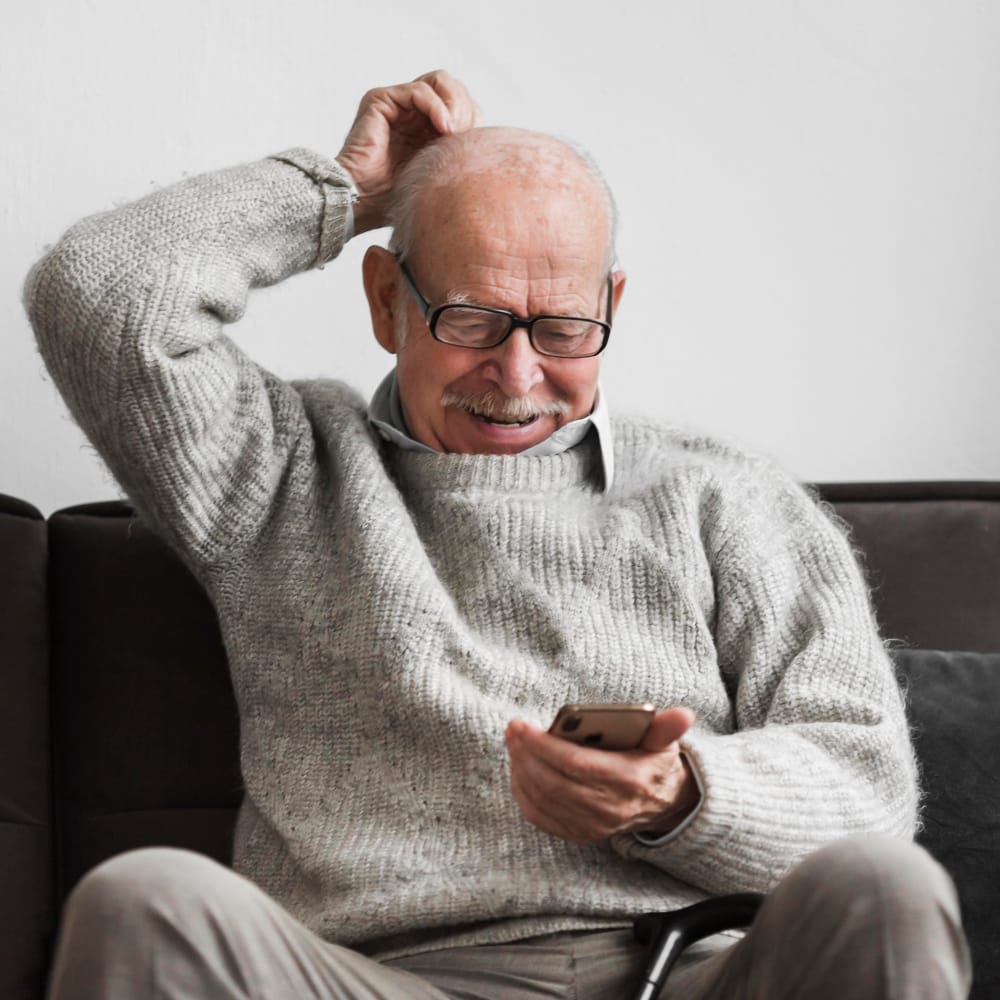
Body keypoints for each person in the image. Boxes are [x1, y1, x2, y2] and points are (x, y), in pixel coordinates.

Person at [26, 70, 970, 1000]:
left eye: (562, 328)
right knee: (145, 900)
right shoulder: (277, 474)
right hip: (382, 981)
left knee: (885, 891)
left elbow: (870, 798)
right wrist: (343, 193)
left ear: (611, 307)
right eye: (472, 319)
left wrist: (680, 796)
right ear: (388, 300)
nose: (518, 376)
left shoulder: (730, 498)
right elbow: (100, 293)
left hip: (690, 971)